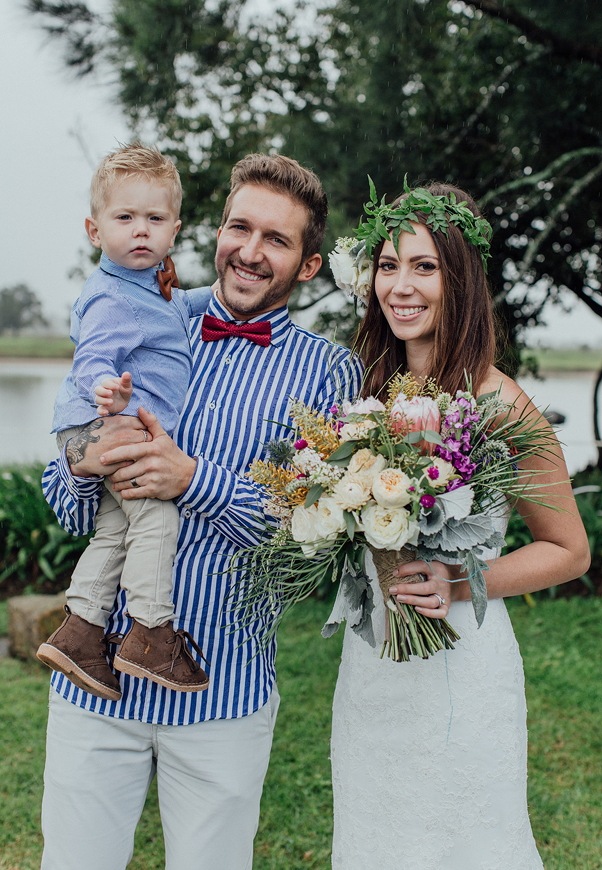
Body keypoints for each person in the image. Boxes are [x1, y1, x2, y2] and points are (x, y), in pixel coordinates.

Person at [40, 153, 362, 870]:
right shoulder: (134, 315)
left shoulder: (330, 374)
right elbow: (63, 501)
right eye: (238, 228)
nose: (249, 252)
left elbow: (310, 539)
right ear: (213, 232)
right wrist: (83, 461)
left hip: (225, 693)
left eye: (275, 240)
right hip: (97, 693)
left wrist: (194, 480)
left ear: (307, 266)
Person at [327, 182, 590, 869]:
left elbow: (568, 551)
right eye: (388, 265)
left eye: (424, 267)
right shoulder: (365, 394)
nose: (400, 286)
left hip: (460, 666)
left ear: (460, 278)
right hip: (373, 663)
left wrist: (458, 582)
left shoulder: (500, 403)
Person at [37, 142, 212, 699]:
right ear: (95, 230)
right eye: (125, 218)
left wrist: (222, 296)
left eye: (154, 219)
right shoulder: (113, 297)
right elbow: (93, 355)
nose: (141, 231)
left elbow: (178, 307)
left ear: (174, 230)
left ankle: (81, 630)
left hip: (107, 428)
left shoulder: (145, 289)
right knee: (158, 517)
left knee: (116, 529)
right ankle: (151, 634)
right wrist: (103, 389)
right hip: (111, 425)